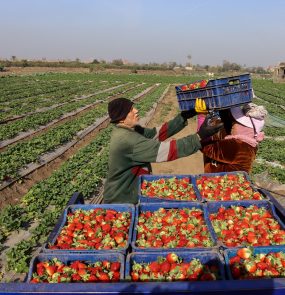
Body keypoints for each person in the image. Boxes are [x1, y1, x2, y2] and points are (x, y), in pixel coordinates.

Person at [103, 97, 223, 204]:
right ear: (121, 119)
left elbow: (157, 133)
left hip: (129, 192)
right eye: (130, 110)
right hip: (121, 199)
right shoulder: (127, 139)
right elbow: (166, 151)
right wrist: (199, 137)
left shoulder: (130, 130)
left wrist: (185, 115)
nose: (136, 111)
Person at [200, 103, 267, 173]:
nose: (233, 124)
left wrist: (201, 117)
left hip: (221, 181)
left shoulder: (237, 145)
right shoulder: (250, 145)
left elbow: (205, 146)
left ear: (245, 128)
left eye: (236, 122)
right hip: (232, 181)